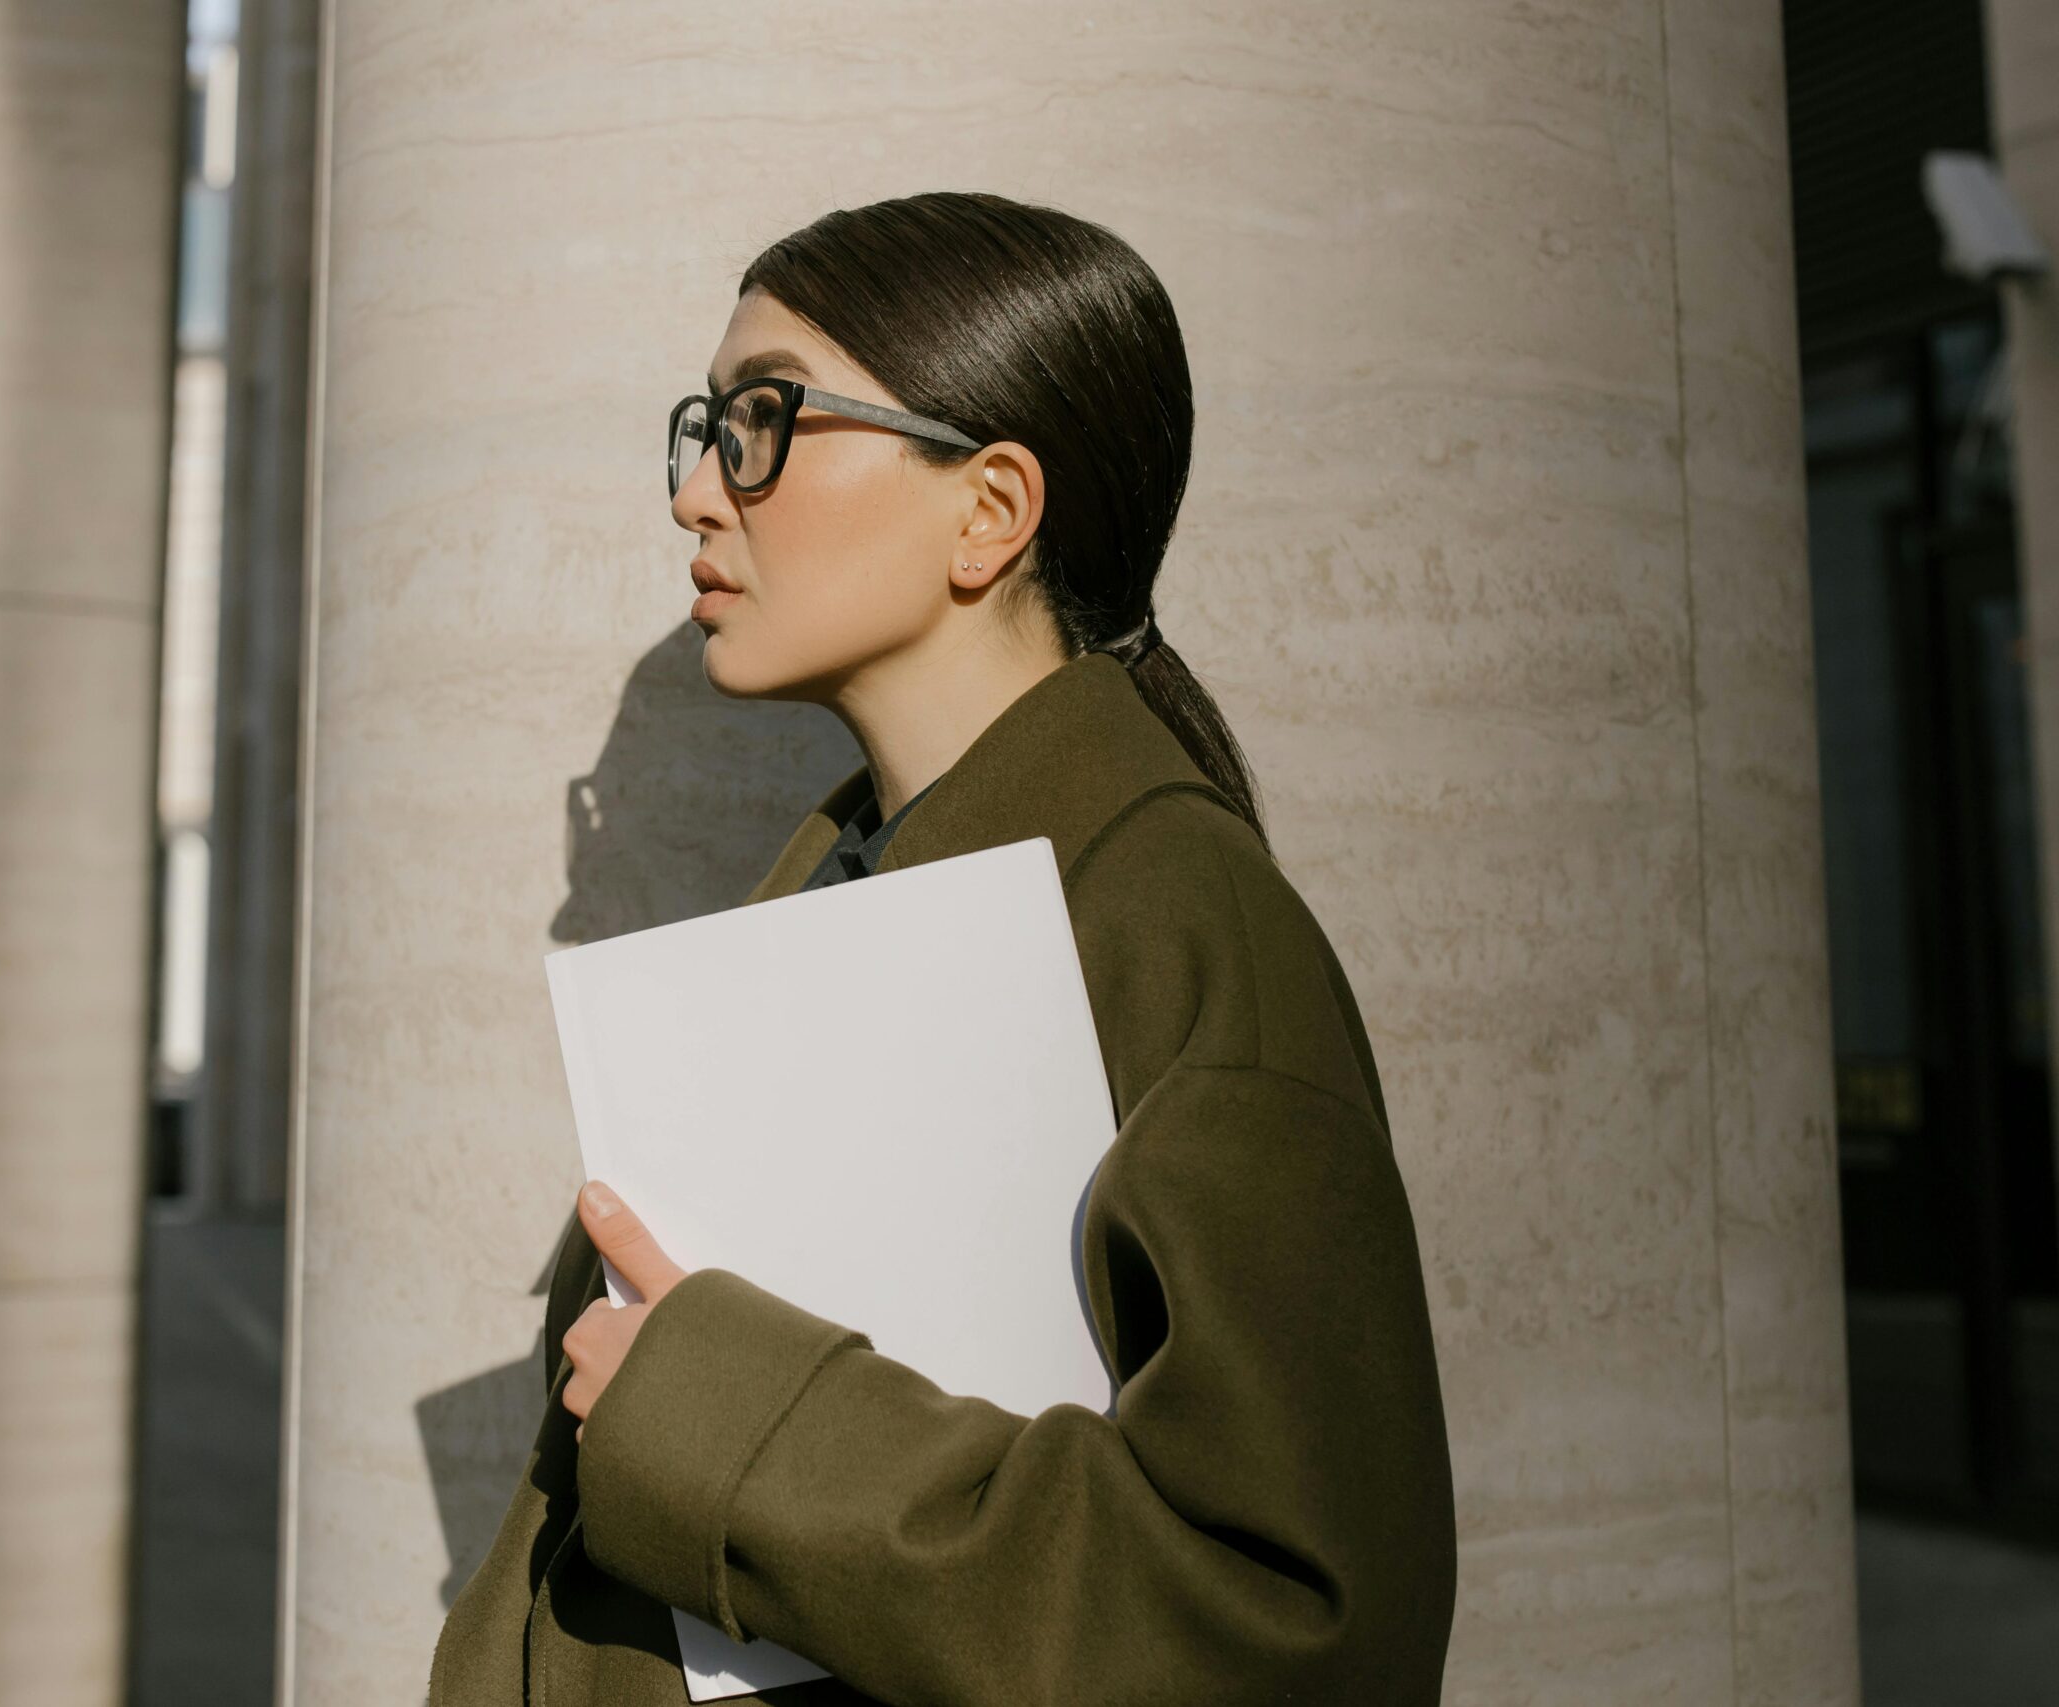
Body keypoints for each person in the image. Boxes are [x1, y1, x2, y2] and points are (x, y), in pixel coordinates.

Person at [430, 190, 1456, 1706]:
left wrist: (731, 1424)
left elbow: (1301, 1623)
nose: (698, 495)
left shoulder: (1181, 920)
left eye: (764, 422)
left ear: (989, 511)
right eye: (703, 430)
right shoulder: (837, 905)